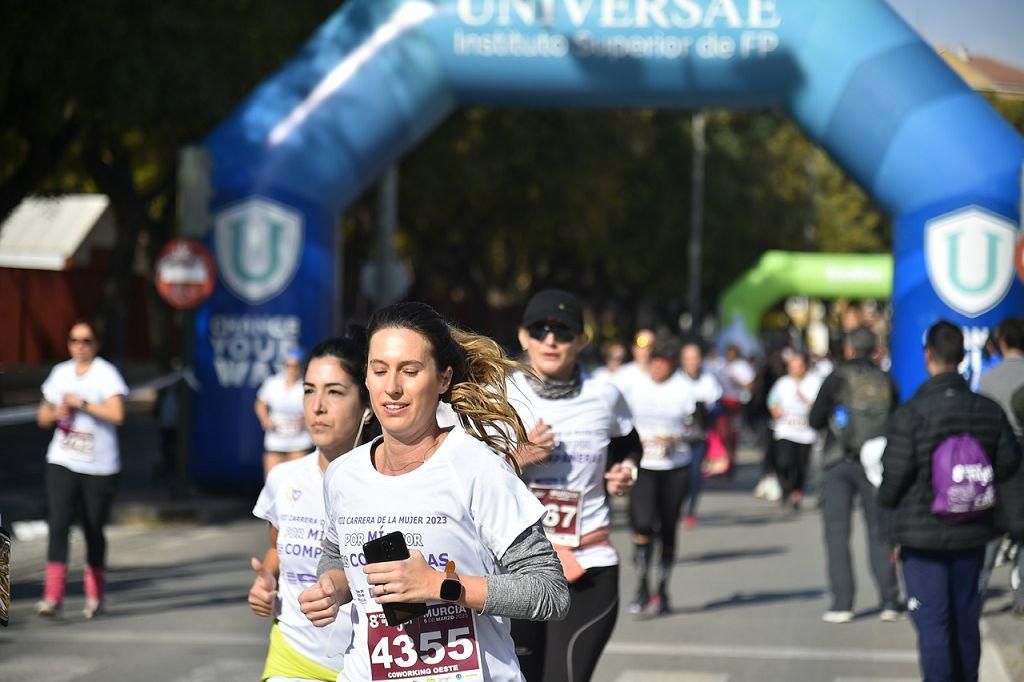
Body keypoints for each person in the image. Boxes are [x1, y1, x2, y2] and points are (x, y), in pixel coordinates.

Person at [298, 302, 569, 682]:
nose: (392, 387)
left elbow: (549, 591)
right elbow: (335, 554)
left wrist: (438, 585)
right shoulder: (344, 474)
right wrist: (333, 586)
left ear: (443, 380)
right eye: (379, 371)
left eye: (410, 371)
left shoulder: (477, 468)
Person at [505, 289, 639, 681]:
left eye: (562, 332)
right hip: (516, 570)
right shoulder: (501, 394)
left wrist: (625, 470)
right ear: (523, 336)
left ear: (581, 340)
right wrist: (519, 457)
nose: (550, 340)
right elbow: (464, 476)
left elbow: (630, 446)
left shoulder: (605, 396)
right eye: (540, 329)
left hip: (587, 566)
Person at [878, 321, 1021, 681]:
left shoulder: (910, 414)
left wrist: (888, 524)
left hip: (921, 536)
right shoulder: (987, 411)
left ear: (929, 357)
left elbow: (894, 478)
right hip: (972, 530)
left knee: (933, 625)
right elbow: (1009, 461)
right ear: (962, 357)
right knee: (965, 618)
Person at [249, 333, 377, 681]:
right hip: (293, 655)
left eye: (334, 391)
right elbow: (276, 548)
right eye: (309, 390)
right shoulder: (283, 478)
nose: (317, 406)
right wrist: (267, 582)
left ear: (367, 407)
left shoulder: (389, 484)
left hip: (371, 664)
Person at [808, 325, 902, 624]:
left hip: (838, 461)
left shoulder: (835, 378)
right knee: (879, 531)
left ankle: (842, 603)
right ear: (875, 350)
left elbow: (814, 419)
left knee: (837, 533)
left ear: (848, 349)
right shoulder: (886, 379)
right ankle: (889, 600)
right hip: (875, 462)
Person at [35, 320, 128, 618]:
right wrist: (56, 411)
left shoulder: (106, 373)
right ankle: (52, 597)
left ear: (96, 344)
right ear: (68, 344)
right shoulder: (60, 374)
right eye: (74, 340)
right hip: (63, 459)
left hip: (99, 466)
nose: (80, 346)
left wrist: (83, 404)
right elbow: (42, 417)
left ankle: (96, 594)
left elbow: (117, 414)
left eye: (86, 340)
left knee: (92, 528)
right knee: (59, 523)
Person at [619, 334, 699, 616]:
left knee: (667, 528)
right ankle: (642, 586)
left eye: (663, 364)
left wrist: (676, 438)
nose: (657, 369)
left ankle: (663, 589)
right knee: (642, 525)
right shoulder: (634, 387)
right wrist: (631, 443)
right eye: (654, 363)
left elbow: (699, 428)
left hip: (675, 467)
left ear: (672, 365)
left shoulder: (685, 389)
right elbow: (620, 423)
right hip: (644, 467)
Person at [978, 318, 1024, 602]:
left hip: (998, 459)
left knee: (991, 532)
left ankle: (976, 592)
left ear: (1002, 341)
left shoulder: (989, 378)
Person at [767, 350, 822, 510]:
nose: (795, 370)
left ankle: (797, 492)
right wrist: (774, 409)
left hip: (806, 431)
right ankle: (785, 487)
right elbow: (772, 399)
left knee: (801, 464)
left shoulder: (814, 382)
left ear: (805, 367)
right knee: (784, 461)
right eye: (792, 366)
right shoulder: (783, 383)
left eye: (798, 366)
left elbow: (821, 404)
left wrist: (807, 402)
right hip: (786, 428)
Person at [678, 342, 722, 526]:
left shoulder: (708, 381)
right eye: (688, 358)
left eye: (695, 358)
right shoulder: (676, 380)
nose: (692, 362)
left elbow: (718, 406)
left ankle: (691, 509)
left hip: (699, 436)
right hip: (678, 438)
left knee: (696, 474)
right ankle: (677, 505)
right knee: (681, 475)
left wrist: (707, 412)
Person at [256, 348, 314, 477]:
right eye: (289, 365)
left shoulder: (306, 384)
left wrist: (306, 420)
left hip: (299, 441)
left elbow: (313, 406)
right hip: (275, 440)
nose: (292, 369)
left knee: (297, 482)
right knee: (272, 481)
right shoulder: (273, 383)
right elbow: (260, 404)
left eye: (295, 366)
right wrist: (265, 420)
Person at [715, 343, 756, 477]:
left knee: (732, 435)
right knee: (721, 434)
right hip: (722, 402)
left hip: (736, 404)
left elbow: (750, 385)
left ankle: (731, 464)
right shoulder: (721, 365)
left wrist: (737, 381)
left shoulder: (742, 367)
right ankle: (721, 463)